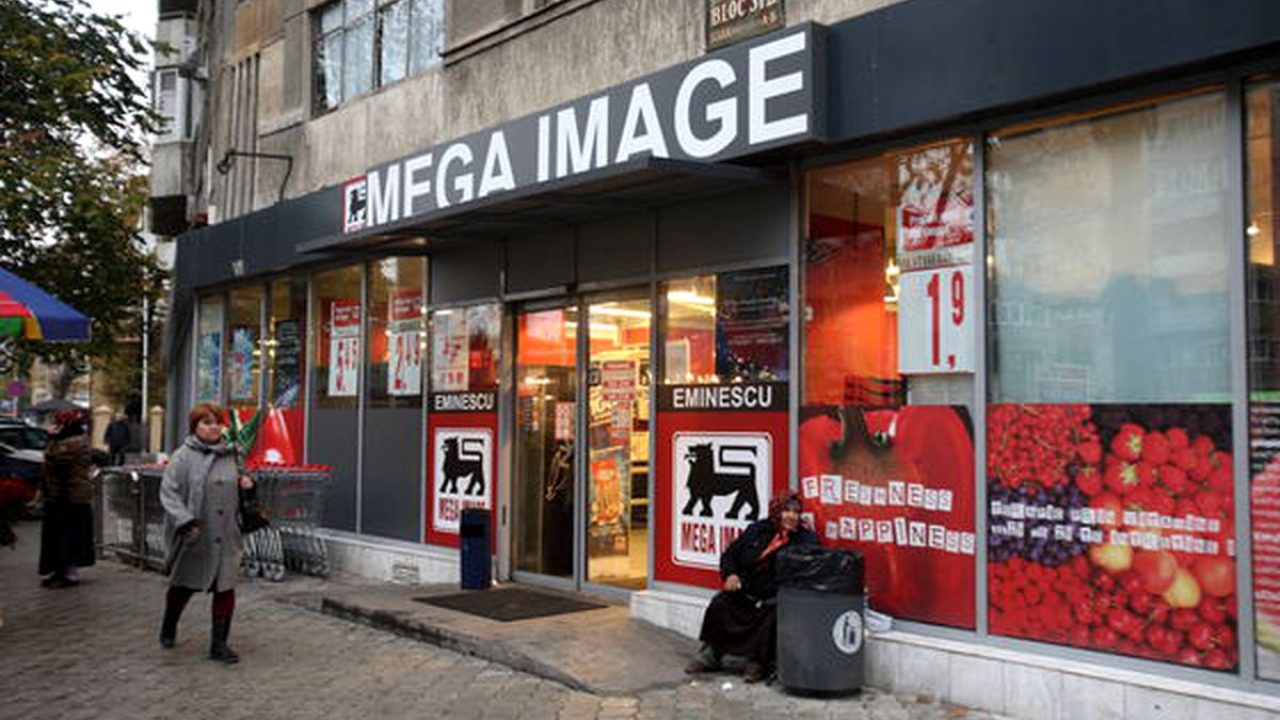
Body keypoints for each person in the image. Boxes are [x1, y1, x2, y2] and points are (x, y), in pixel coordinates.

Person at [685, 492, 819, 683]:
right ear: (777, 511)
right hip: (746, 588)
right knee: (721, 603)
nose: (792, 516)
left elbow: (807, 573)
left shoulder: (806, 539)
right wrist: (731, 574)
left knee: (771, 613)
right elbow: (730, 555)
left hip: (774, 594)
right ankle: (712, 654)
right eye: (787, 511)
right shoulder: (757, 530)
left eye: (796, 512)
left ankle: (757, 662)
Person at [158, 402, 254, 663]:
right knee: (183, 586)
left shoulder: (233, 454)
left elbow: (245, 482)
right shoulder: (182, 456)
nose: (213, 428)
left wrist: (248, 484)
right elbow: (169, 493)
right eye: (206, 422)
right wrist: (185, 521)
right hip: (196, 534)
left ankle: (219, 644)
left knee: (225, 586)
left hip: (227, 532)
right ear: (195, 427)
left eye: (217, 422)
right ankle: (169, 623)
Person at [38, 407, 96, 588]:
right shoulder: (67, 439)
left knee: (69, 536)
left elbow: (56, 457)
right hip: (59, 495)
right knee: (57, 536)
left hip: (72, 497)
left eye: (60, 422)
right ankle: (59, 571)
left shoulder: (76, 441)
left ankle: (69, 574)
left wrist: (52, 439)